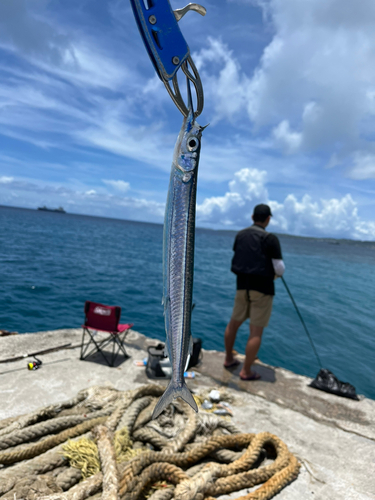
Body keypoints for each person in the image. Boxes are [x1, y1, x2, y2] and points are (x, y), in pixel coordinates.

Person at [224, 204, 285, 380]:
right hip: (263, 289)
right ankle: (246, 371)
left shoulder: (240, 235)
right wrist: (277, 275)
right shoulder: (270, 238)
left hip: (242, 286)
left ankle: (228, 359)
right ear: (268, 219)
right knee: (256, 331)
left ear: (252, 217)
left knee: (233, 324)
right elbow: (279, 268)